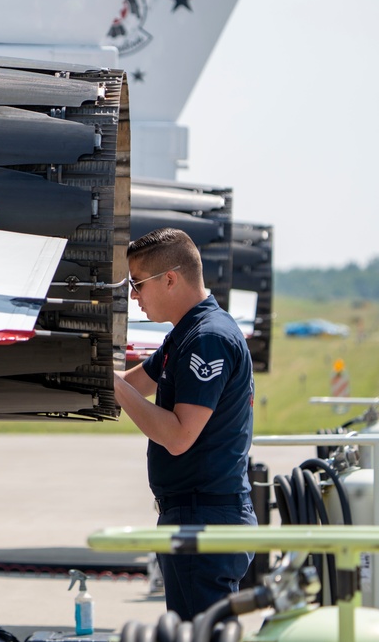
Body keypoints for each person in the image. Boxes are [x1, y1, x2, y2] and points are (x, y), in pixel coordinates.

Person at [113, 227, 255, 621]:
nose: (133, 296)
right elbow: (130, 384)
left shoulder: (207, 338)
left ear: (170, 278)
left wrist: (114, 387)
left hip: (205, 520)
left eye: (137, 284)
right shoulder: (186, 334)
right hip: (193, 515)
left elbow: (178, 436)